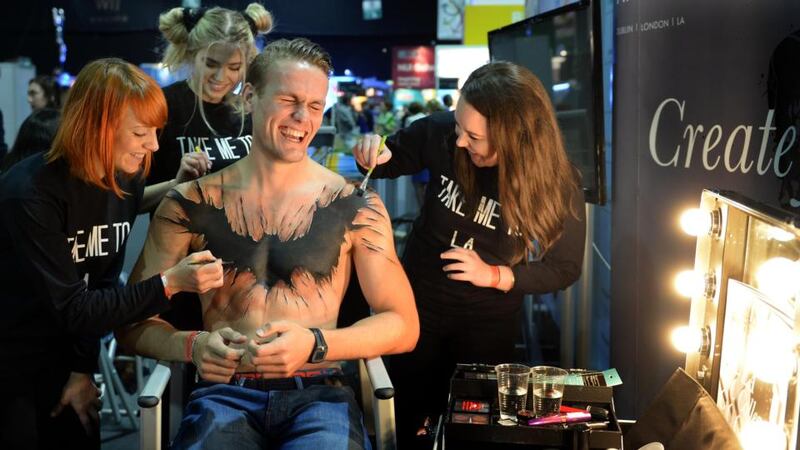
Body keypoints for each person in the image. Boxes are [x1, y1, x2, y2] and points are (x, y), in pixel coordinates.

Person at [116, 38, 419, 450]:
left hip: (320, 394)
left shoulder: (353, 203)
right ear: (250, 96)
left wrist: (318, 343)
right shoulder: (190, 201)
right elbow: (131, 323)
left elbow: (403, 323)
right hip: (223, 395)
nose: (302, 118)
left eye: (315, 105)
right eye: (289, 100)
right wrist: (191, 345)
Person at [353, 61, 587, 449]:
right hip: (417, 307)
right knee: (415, 421)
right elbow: (393, 158)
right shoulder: (444, 132)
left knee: (472, 427)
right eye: (459, 128)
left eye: (473, 136)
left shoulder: (559, 182)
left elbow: (565, 268)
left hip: (486, 320)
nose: (460, 141)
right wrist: (373, 152)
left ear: (513, 137)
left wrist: (495, 276)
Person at [0, 58, 225, 450]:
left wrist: (81, 368)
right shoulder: (29, 195)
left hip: (67, 352)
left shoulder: (123, 176)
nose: (154, 145)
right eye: (140, 132)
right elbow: (77, 306)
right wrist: (170, 283)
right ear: (96, 128)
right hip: (14, 359)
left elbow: (102, 275)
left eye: (156, 131)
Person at [147, 4, 273, 186]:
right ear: (191, 54)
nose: (221, 77)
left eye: (234, 67)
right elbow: (132, 200)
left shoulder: (249, 112)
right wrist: (177, 184)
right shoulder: (162, 106)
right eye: (211, 64)